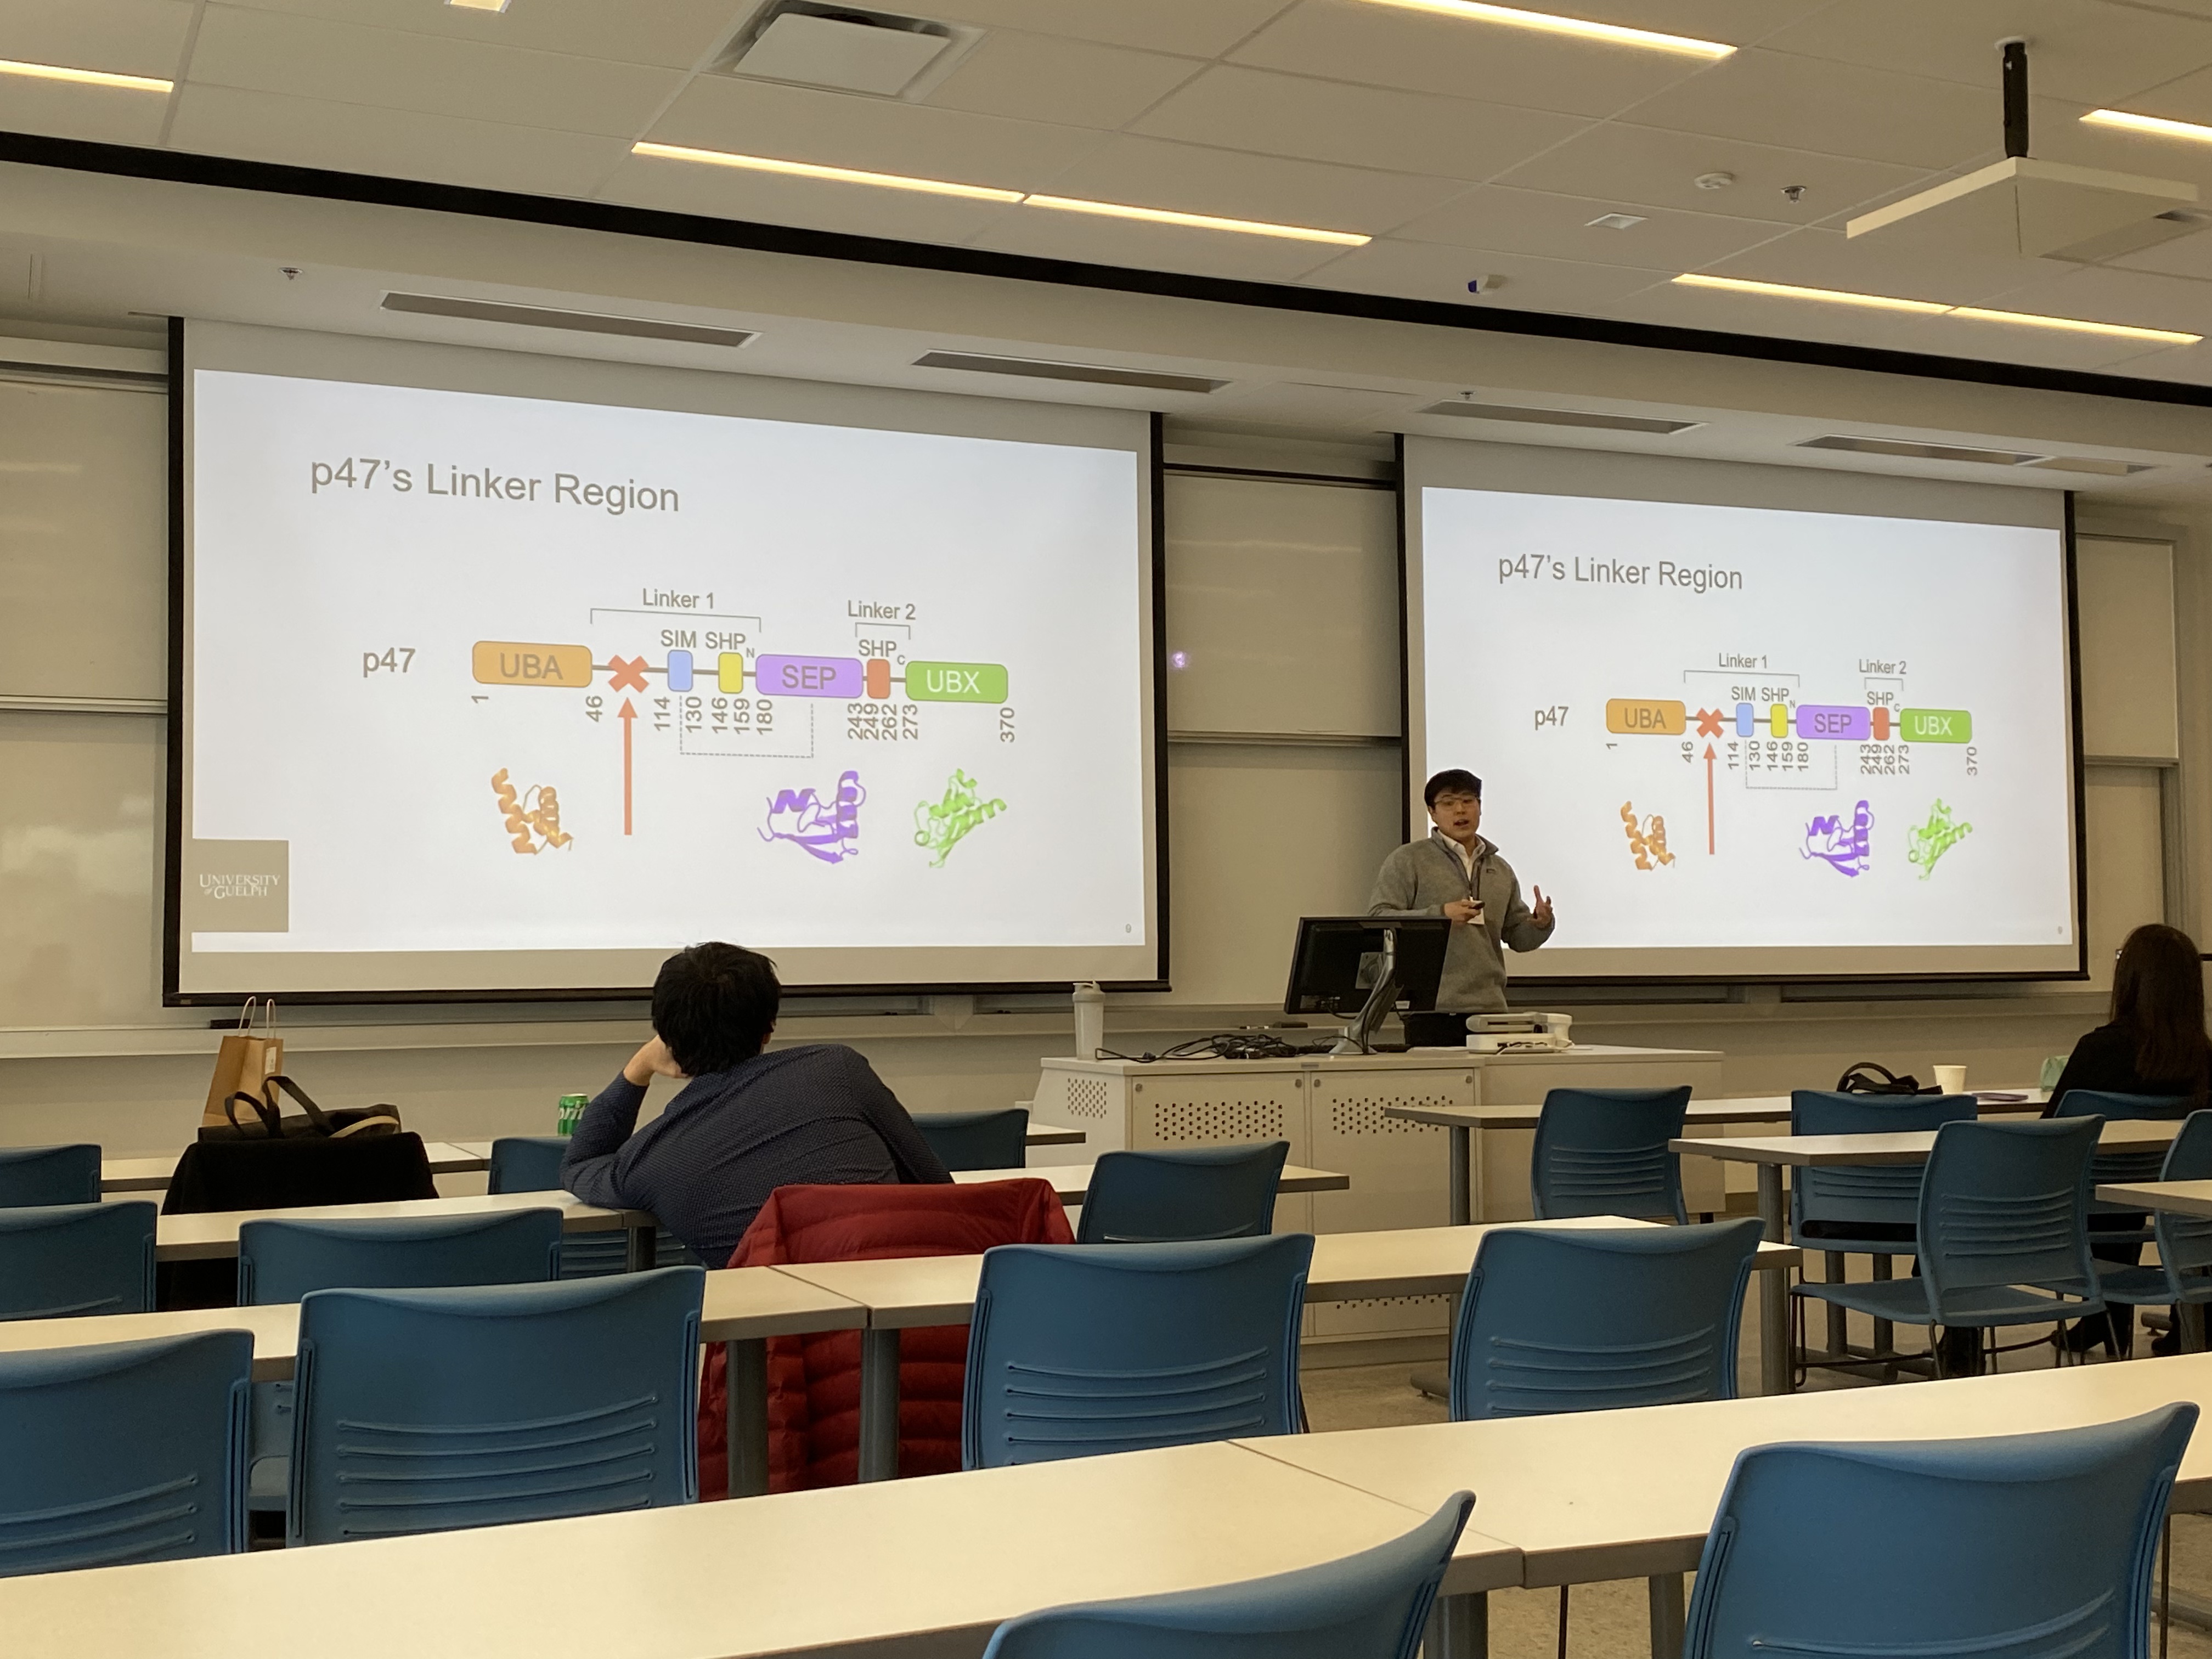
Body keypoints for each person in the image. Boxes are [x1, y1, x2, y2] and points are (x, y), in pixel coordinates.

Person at [561, 942, 950, 1266]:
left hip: (775, 1332)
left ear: (667, 1038)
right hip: (911, 1310)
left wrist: (639, 1068)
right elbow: (938, 1190)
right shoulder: (838, 1070)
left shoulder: (654, 1159)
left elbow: (579, 1163)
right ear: (769, 1027)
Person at [2045, 922, 2212, 1357]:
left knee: (2105, 1185)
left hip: (2085, 1199)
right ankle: (2183, 1320)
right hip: (2175, 1202)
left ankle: (2105, 1315)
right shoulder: (2205, 1059)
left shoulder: (2099, 1050)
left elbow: (2050, 1133)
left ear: (2131, 980)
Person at [1369, 768, 1555, 1047]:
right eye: (1448, 803)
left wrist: (1541, 924)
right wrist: (1441, 915)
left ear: (1480, 807)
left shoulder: (1500, 868)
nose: (1460, 810)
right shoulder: (1408, 860)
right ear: (1432, 813)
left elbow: (1518, 938)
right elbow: (1379, 918)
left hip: (1491, 1009)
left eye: (1468, 801)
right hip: (1432, 1010)